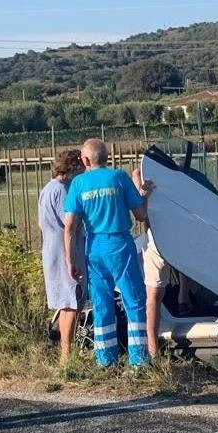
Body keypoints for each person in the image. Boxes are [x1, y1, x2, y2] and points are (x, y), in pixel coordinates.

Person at [63, 138, 152, 369]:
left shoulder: (79, 184)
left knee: (102, 303)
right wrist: (144, 194)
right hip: (120, 245)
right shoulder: (120, 178)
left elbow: (70, 226)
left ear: (84, 160)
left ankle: (105, 358)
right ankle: (139, 360)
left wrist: (70, 259)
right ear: (107, 158)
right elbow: (141, 214)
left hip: (94, 249)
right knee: (134, 300)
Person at [132, 167, 195, 359]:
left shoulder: (151, 179)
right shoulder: (182, 184)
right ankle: (183, 299)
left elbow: (135, 175)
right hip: (166, 237)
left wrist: (140, 186)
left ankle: (153, 349)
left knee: (154, 294)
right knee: (155, 293)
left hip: (158, 237)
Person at [38, 149, 87, 361]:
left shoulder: (48, 188)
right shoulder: (63, 190)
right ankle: (67, 354)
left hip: (53, 248)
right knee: (71, 302)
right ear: (73, 168)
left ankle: (63, 348)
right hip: (65, 249)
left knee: (66, 301)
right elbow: (70, 222)